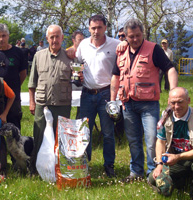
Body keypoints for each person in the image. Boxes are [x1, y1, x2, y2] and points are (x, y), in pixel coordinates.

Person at [110, 19, 178, 181]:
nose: (135, 39)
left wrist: (173, 93)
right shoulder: (121, 52)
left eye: (138, 35)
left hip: (149, 104)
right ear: (126, 36)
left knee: (152, 139)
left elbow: (170, 69)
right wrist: (112, 101)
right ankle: (136, 172)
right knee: (133, 141)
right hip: (128, 103)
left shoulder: (153, 49)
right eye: (131, 36)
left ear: (143, 34)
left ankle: (153, 173)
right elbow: (115, 76)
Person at [148, 87, 193, 199]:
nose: (176, 106)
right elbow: (160, 142)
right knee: (153, 179)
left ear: (188, 100)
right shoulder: (166, 116)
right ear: (168, 101)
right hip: (177, 161)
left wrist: (178, 157)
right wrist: (159, 165)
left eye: (180, 102)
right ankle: (185, 182)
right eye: (173, 102)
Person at [74, 14, 120, 177]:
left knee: (107, 132)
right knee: (84, 132)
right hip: (86, 93)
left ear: (105, 28)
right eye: (93, 28)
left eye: (99, 27)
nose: (96, 31)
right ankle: (85, 164)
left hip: (106, 94)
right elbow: (76, 65)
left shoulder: (116, 44)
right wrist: (76, 77)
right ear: (89, 28)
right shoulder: (83, 45)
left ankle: (109, 166)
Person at [28, 24, 72, 173]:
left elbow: (77, 79)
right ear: (47, 39)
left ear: (62, 38)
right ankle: (35, 169)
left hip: (62, 104)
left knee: (60, 138)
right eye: (51, 37)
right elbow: (32, 82)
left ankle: (59, 168)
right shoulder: (38, 56)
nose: (54, 40)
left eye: (57, 36)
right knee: (39, 136)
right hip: (42, 104)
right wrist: (32, 102)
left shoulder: (69, 57)